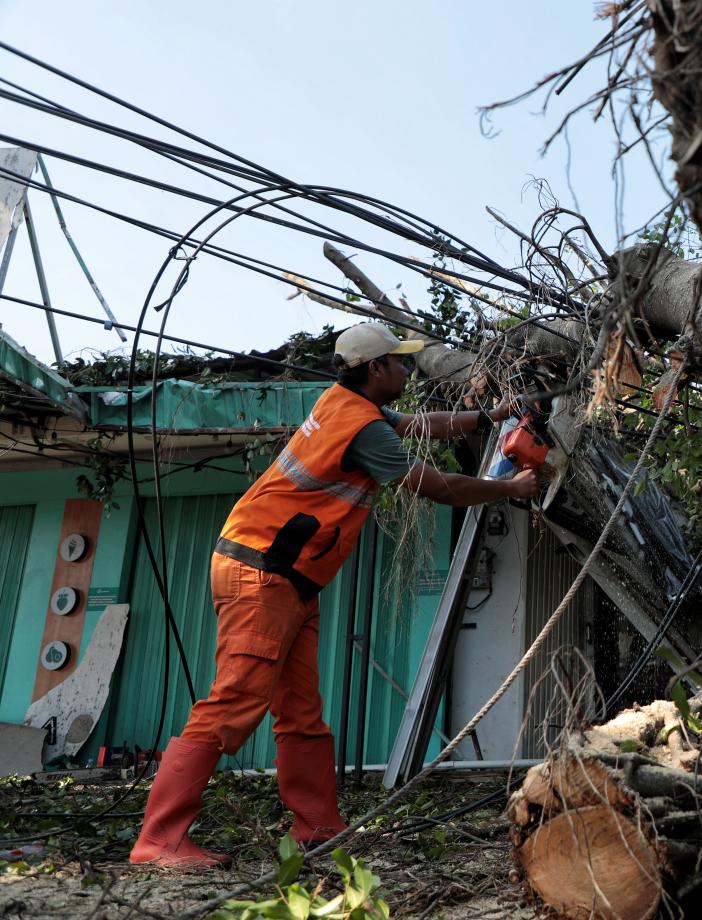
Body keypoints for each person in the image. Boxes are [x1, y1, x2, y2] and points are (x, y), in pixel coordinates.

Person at [130, 322, 538, 868]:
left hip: (286, 576)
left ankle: (318, 826)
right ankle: (159, 840)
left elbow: (418, 424)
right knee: (233, 703)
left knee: (300, 711)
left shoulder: (349, 402)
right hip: (263, 573)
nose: (406, 369)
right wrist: (509, 488)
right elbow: (434, 486)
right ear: (376, 369)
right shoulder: (362, 427)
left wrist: (489, 417)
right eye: (399, 362)